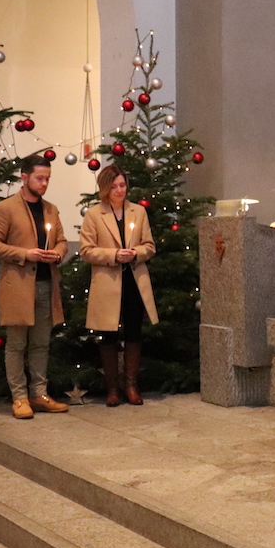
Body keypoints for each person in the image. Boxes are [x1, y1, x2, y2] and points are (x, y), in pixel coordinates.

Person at [0, 154, 69, 419]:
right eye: (39, 178)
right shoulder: (6, 208)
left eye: (47, 179)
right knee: (17, 344)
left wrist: (57, 253)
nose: (44, 184)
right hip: (18, 286)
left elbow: (62, 241)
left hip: (46, 284)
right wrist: (24, 254)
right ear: (24, 177)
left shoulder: (51, 209)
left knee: (41, 343)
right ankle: (19, 397)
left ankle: (39, 394)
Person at [79, 165, 159, 407]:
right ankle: (112, 388)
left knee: (134, 331)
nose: (119, 190)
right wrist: (114, 255)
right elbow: (86, 250)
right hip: (108, 281)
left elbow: (150, 246)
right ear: (105, 188)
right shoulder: (94, 214)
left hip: (134, 280)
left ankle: (131, 385)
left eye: (122, 185)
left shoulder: (138, 212)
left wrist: (135, 253)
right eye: (114, 186)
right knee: (108, 333)